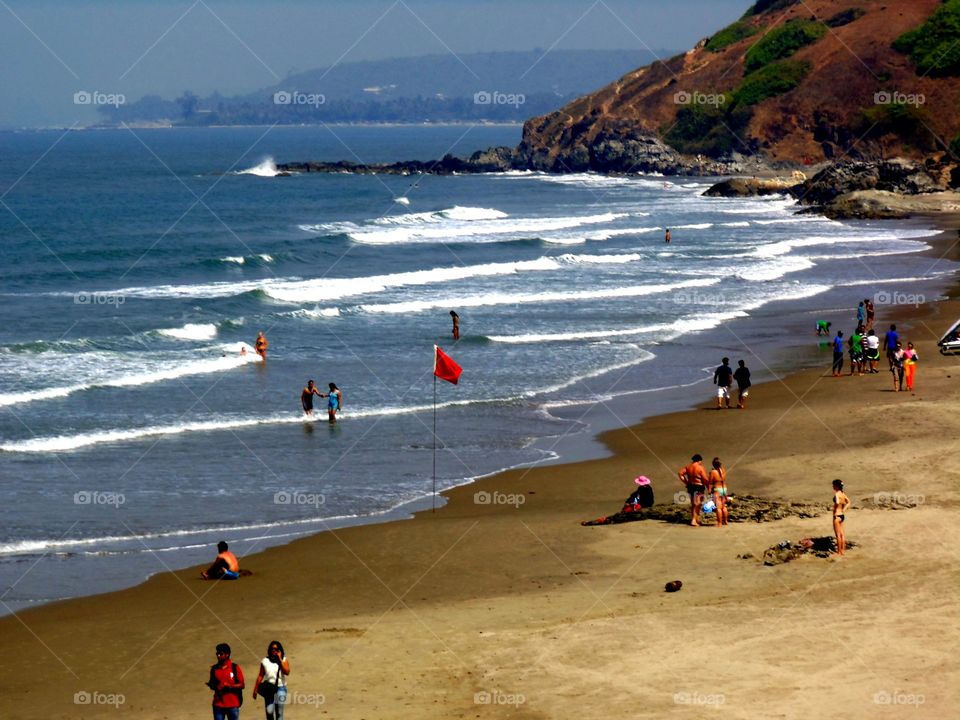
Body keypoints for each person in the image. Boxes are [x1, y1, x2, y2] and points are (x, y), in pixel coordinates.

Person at [253, 640, 290, 720]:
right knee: (269, 711)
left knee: (279, 713)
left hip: (281, 688)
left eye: (276, 649)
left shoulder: (283, 659)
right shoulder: (265, 661)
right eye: (272, 649)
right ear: (269, 650)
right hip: (269, 689)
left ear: (280, 650)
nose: (274, 650)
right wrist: (255, 689)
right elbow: (260, 675)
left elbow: (287, 672)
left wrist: (280, 659)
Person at [208, 643, 245, 720]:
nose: (218, 656)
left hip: (232, 704)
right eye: (217, 653)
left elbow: (242, 685)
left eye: (221, 654)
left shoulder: (235, 668)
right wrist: (215, 686)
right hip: (218, 704)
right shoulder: (214, 669)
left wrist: (229, 685)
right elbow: (212, 684)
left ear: (227, 654)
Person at [678, 454, 709, 527]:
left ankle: (695, 519)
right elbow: (705, 479)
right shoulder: (700, 467)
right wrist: (708, 487)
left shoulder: (688, 467)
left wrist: (686, 482)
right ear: (699, 460)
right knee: (697, 504)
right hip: (698, 486)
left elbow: (680, 473)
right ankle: (693, 520)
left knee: (694, 504)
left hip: (691, 486)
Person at [707, 457, 729, 527]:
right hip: (724, 489)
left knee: (718, 508)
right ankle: (725, 521)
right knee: (724, 507)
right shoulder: (723, 470)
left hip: (717, 489)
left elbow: (710, 483)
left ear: (713, 465)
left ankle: (719, 523)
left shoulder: (713, 472)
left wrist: (709, 490)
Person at [832, 480, 850, 556]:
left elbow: (837, 502)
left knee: (838, 535)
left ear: (836, 486)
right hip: (842, 515)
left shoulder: (837, 494)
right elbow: (848, 502)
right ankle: (843, 551)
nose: (832, 487)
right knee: (842, 534)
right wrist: (843, 509)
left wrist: (836, 507)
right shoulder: (843, 494)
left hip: (836, 515)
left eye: (833, 485)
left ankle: (839, 552)